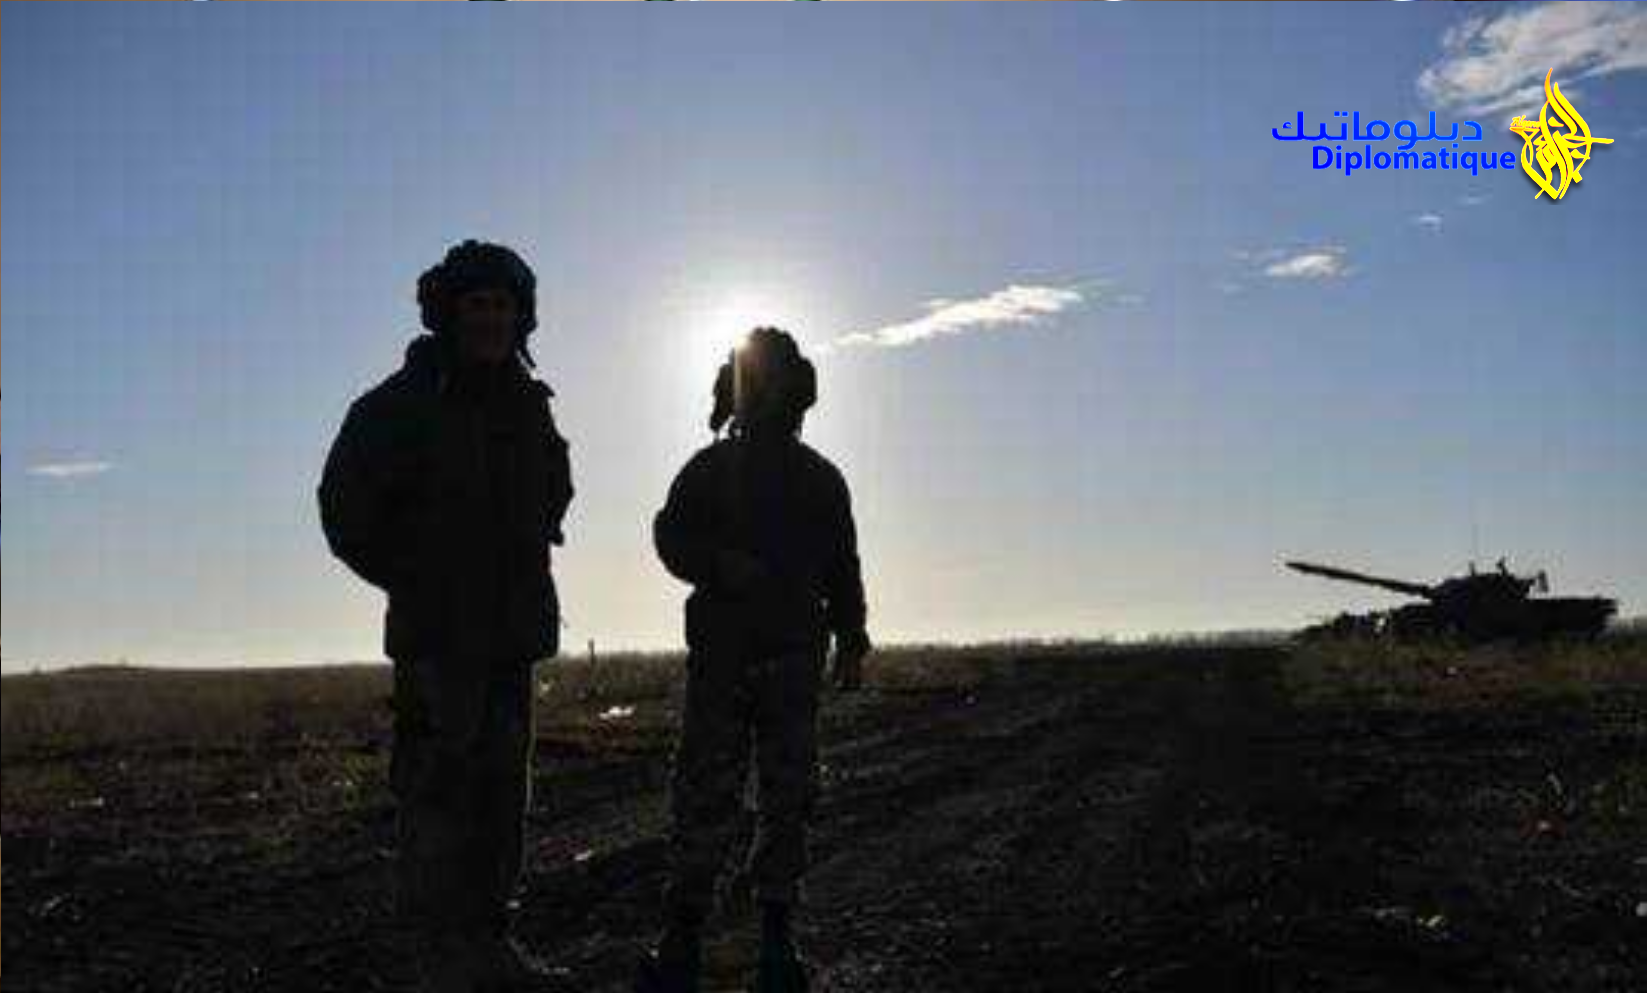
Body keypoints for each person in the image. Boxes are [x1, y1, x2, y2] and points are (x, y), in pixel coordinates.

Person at [317, 239, 574, 992]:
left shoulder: (527, 406)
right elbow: (343, 509)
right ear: (448, 314)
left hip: (510, 640)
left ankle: (491, 948)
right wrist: (416, 577)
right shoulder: (398, 407)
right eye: (477, 305)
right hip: (437, 646)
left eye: (502, 306)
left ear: (520, 316)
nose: (491, 319)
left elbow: (555, 493)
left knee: (501, 801)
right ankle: (437, 965)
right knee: (436, 801)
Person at [635, 327, 871, 993]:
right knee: (705, 798)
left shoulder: (819, 479)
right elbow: (669, 536)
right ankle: (683, 942)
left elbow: (842, 564)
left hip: (792, 659)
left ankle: (773, 941)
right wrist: (717, 565)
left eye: (776, 385)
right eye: (759, 384)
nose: (769, 398)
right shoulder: (709, 470)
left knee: (786, 798)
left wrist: (852, 637)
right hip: (724, 660)